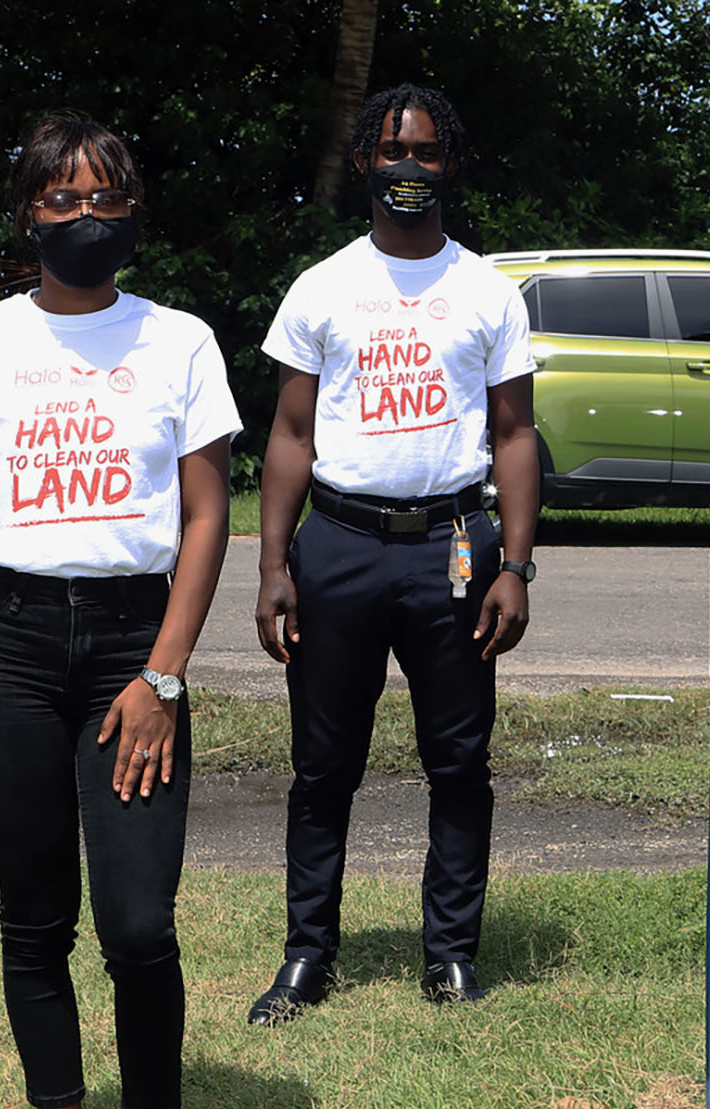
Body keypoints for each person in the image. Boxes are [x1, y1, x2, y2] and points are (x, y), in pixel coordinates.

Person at [0, 113, 239, 1109]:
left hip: (134, 646)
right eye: (62, 201)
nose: (86, 219)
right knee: (35, 917)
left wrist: (164, 675)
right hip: (12, 645)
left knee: (137, 922)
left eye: (105, 200)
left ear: (132, 211)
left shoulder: (180, 339)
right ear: (26, 215)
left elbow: (203, 516)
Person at [245, 83, 538, 1025]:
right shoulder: (321, 286)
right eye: (390, 152)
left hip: (453, 546)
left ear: (448, 164)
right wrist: (273, 567)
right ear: (366, 163)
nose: (407, 169)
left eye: (425, 153)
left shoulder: (488, 291)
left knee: (459, 762)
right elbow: (289, 434)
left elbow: (518, 435)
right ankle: (307, 956)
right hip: (338, 543)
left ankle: (449, 954)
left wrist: (516, 565)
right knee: (323, 764)